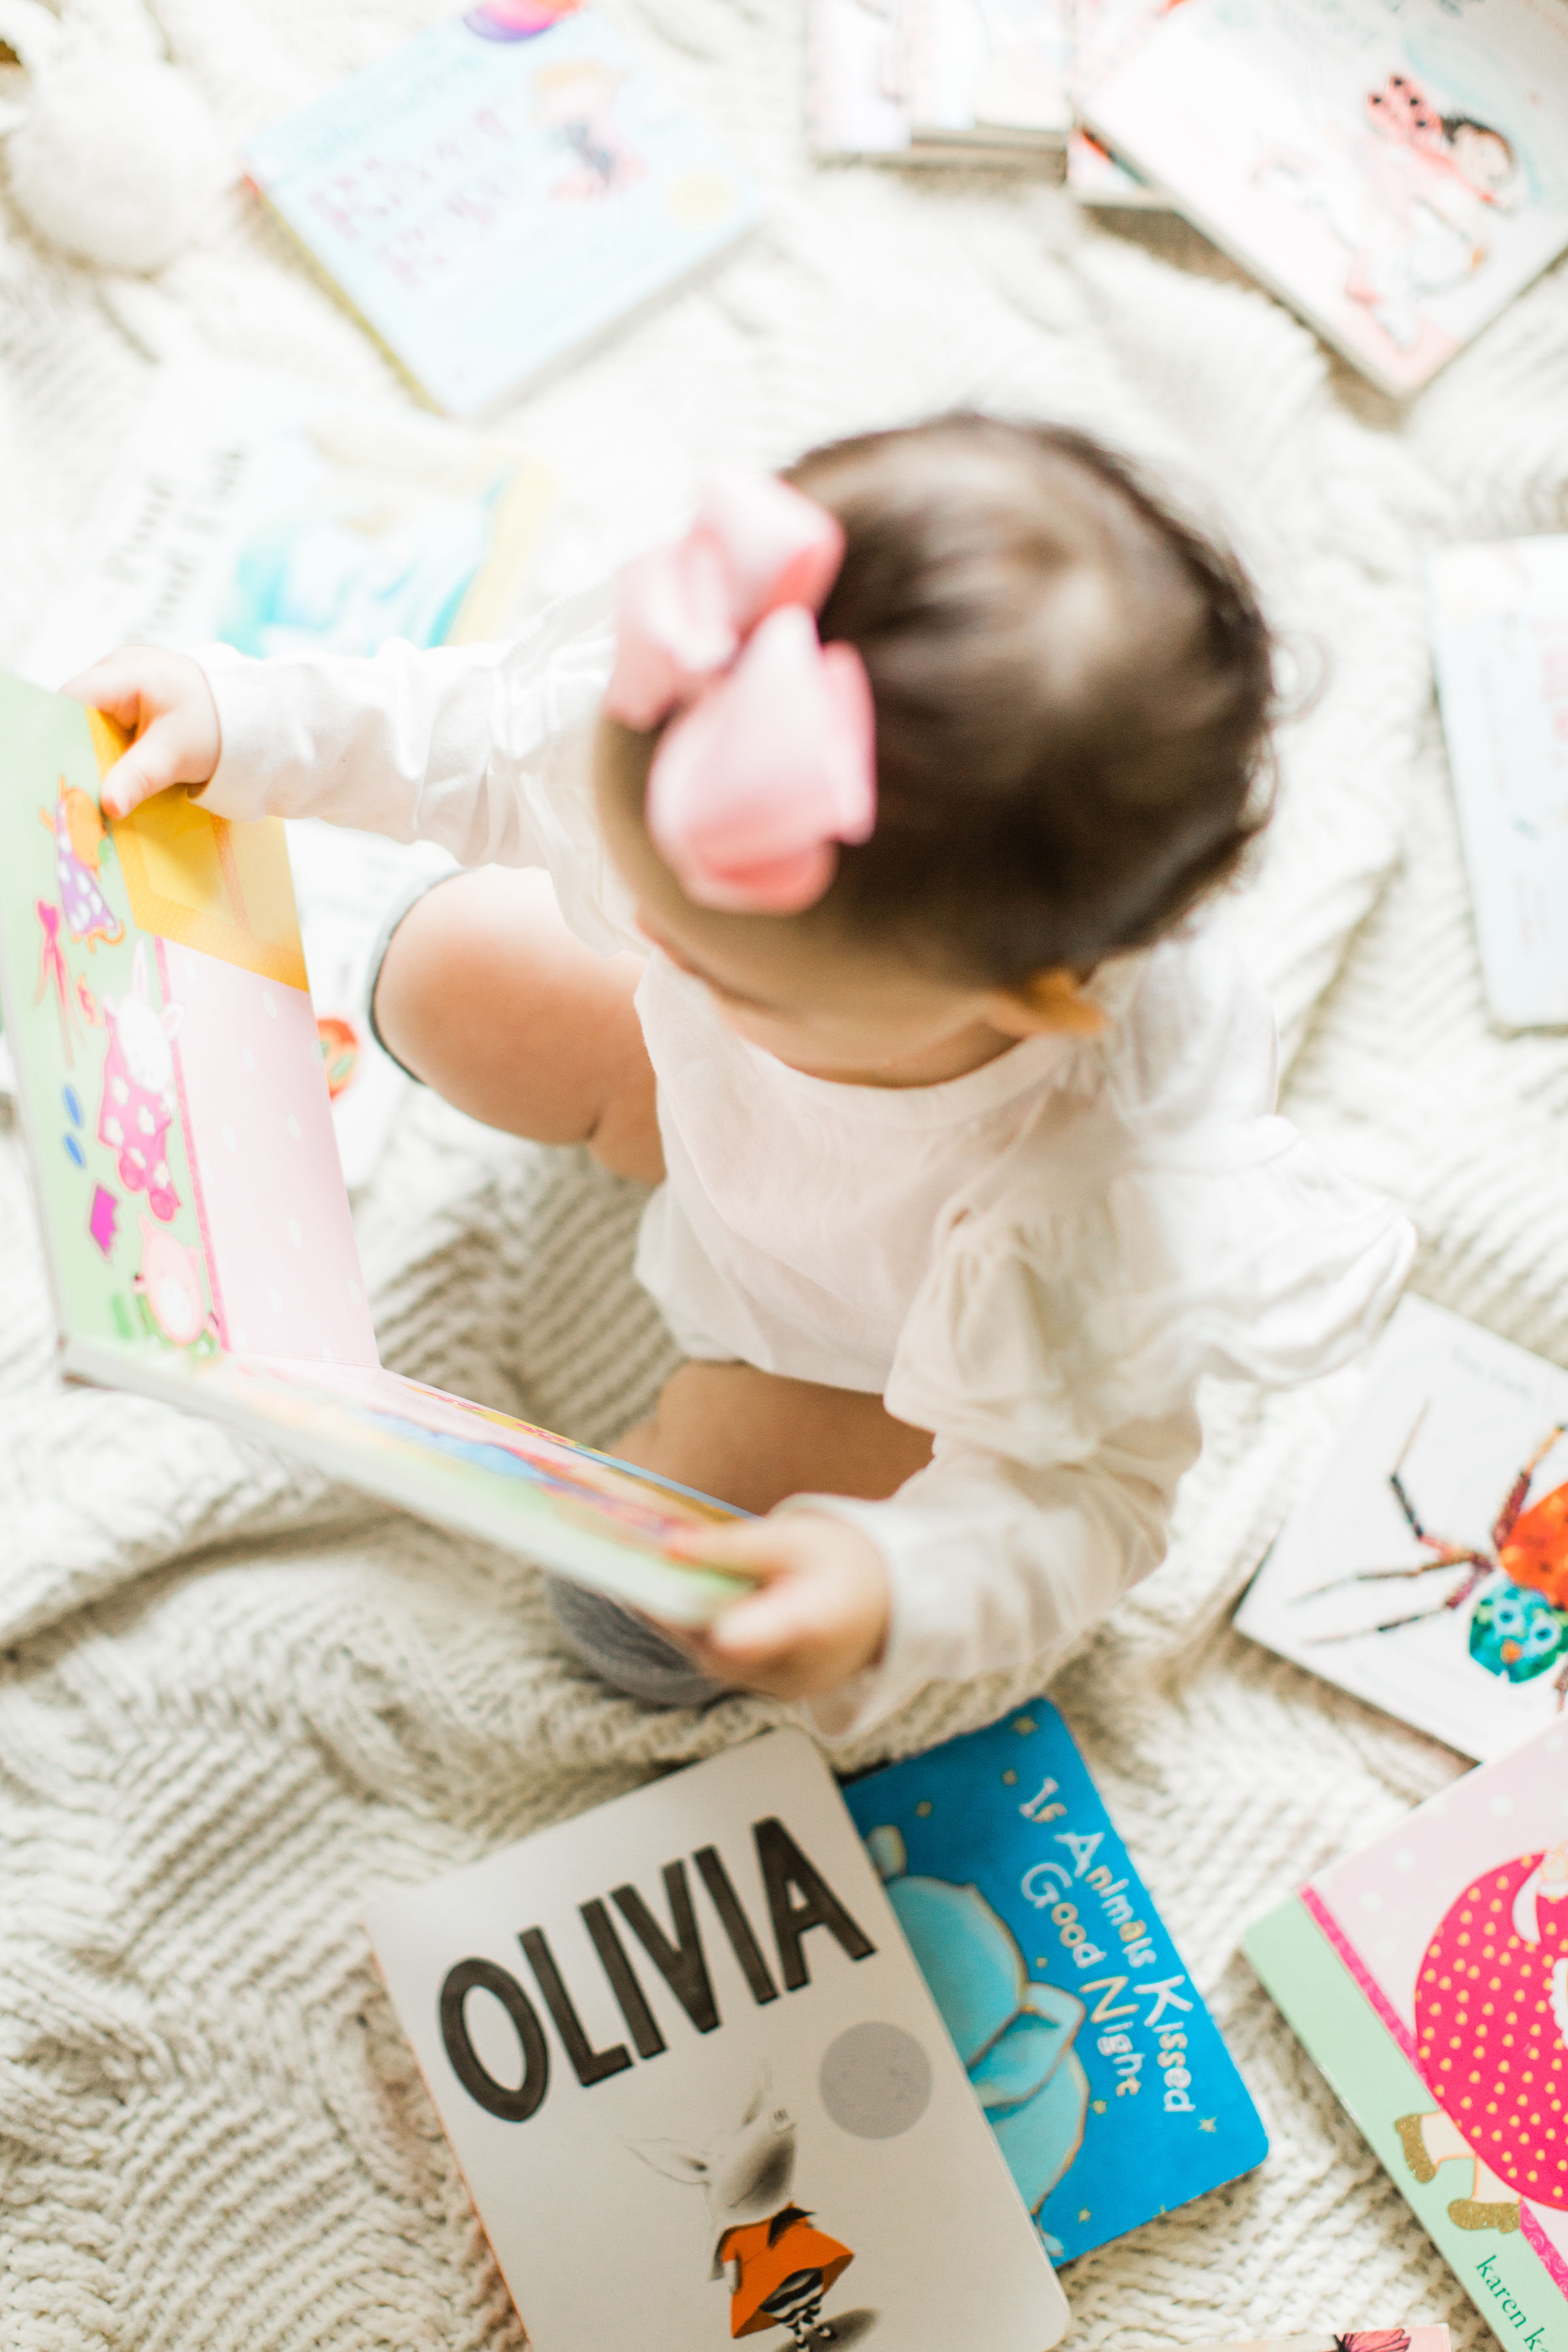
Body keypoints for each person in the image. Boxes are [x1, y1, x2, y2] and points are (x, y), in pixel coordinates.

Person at [66, 414, 1414, 1742]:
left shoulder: (1096, 1195)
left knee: (644, 1607)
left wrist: (889, 1583)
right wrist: (243, 719)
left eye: (739, 971)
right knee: (443, 962)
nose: (652, 944)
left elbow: (1087, 1499)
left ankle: (768, 1492)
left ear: (1028, 1002)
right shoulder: (709, 720)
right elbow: (473, 731)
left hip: (871, 1350)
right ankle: (686, 1091)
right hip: (736, 1115)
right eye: (656, 907)